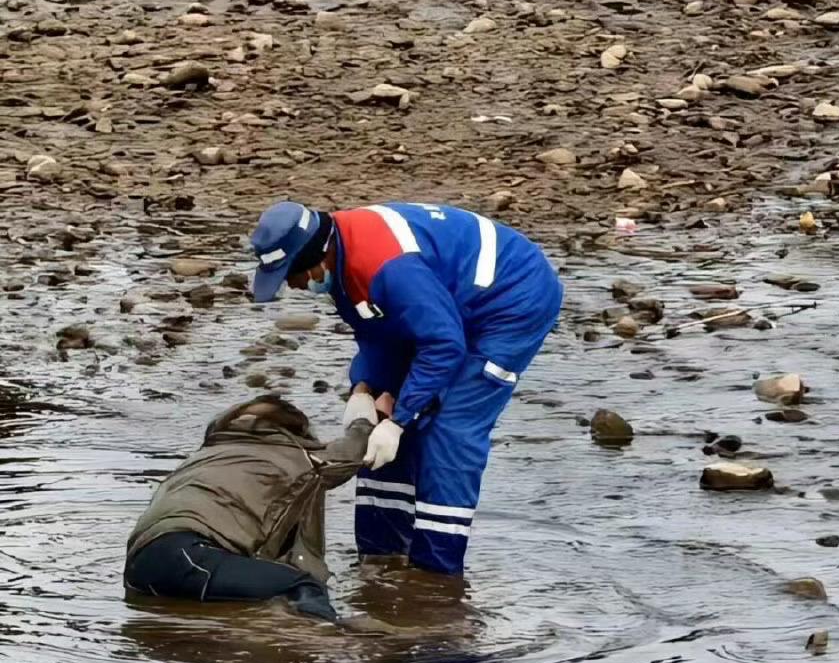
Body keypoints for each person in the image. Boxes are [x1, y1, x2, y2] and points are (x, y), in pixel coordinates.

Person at [248, 201, 563, 576]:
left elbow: (443, 346)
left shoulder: (389, 268)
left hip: (510, 301)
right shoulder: (343, 259)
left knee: (449, 429)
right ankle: (380, 560)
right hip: (444, 304)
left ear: (318, 256)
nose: (294, 285)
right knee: (381, 430)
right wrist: (365, 389)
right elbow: (377, 332)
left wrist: (398, 421)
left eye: (292, 275)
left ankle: (436, 579)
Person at [124, 393, 378, 623]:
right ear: (292, 429)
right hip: (191, 558)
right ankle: (329, 644)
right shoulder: (293, 454)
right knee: (301, 587)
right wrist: (367, 418)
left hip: (140, 567)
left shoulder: (205, 455)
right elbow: (350, 454)